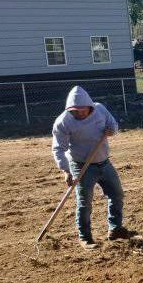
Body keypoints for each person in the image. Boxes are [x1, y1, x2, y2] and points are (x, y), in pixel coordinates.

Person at [51, 86, 127, 248]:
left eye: (82, 110)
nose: (79, 114)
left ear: (89, 106)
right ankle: (85, 237)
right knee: (85, 203)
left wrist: (111, 130)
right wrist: (66, 170)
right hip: (81, 166)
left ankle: (115, 229)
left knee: (117, 194)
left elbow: (113, 125)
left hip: (104, 162)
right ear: (70, 110)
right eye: (75, 111)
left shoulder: (99, 109)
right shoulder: (63, 122)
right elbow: (59, 148)